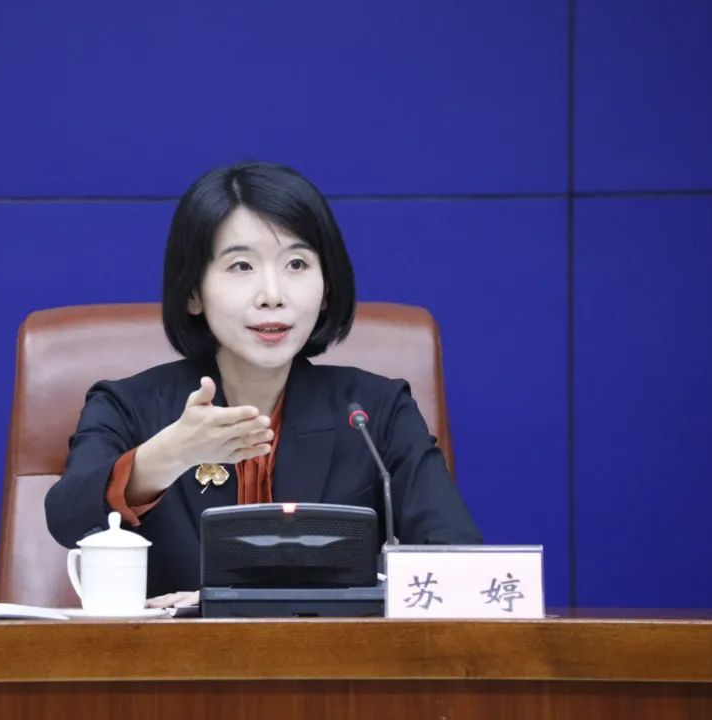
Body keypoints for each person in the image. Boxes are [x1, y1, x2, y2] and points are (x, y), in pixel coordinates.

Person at [45, 161, 481, 607]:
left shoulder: (375, 412)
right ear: (193, 292)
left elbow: (457, 562)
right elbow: (68, 520)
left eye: (296, 263)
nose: (272, 295)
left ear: (327, 288)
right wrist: (168, 455)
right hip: (173, 653)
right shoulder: (127, 406)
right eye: (241, 266)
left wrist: (235, 603)